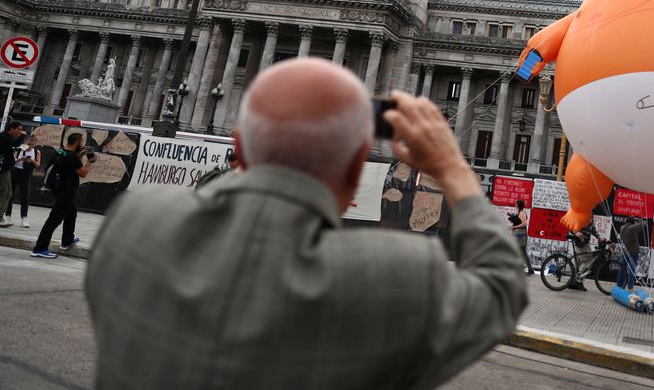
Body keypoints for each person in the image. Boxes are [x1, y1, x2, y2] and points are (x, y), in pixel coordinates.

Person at [86, 58, 527, 390]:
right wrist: (452, 168)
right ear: (357, 167)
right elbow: (504, 287)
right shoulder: (397, 278)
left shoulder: (134, 219)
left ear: (238, 147)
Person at [31, 131, 96, 258]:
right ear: (77, 142)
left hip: (58, 190)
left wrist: (80, 155)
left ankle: (67, 240)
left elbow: (67, 164)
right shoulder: (71, 157)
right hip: (66, 193)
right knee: (53, 221)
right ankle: (39, 248)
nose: (82, 144)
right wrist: (90, 162)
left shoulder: (60, 152)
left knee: (72, 213)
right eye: (81, 142)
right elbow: (82, 173)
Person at [6, 129, 40, 226]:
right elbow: (12, 159)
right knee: (10, 195)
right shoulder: (20, 148)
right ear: (26, 142)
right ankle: (7, 215)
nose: (30, 146)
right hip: (15, 171)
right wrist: (21, 159)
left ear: (35, 144)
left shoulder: (37, 152)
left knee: (25, 197)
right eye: (29, 144)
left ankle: (24, 218)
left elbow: (38, 165)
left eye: (32, 145)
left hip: (26, 174)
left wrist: (32, 161)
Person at [0, 121, 25, 228]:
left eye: (21, 130)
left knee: (8, 193)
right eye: (18, 129)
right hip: (2, 168)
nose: (20, 132)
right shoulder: (4, 137)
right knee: (5, 192)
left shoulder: (6, 137)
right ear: (11, 129)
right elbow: (15, 144)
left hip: (6, 168)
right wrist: (23, 136)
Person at [567, 220, 604, 291]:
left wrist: (599, 237)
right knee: (588, 262)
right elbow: (571, 226)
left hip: (583, 243)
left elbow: (593, 230)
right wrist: (576, 232)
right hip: (581, 244)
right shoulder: (581, 215)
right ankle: (577, 281)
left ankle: (572, 282)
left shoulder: (589, 215)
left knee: (578, 263)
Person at [617, 217, 647, 289]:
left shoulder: (622, 227)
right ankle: (630, 286)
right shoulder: (632, 228)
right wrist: (637, 219)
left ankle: (619, 285)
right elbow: (644, 223)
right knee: (632, 269)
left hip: (625, 251)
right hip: (633, 252)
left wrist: (633, 219)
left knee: (622, 268)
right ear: (632, 223)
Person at [510, 198, 533, 275]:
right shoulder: (519, 212)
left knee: (519, 251)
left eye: (516, 204)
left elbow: (524, 224)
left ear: (518, 205)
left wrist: (515, 227)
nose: (515, 205)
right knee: (523, 252)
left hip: (521, 235)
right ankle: (530, 269)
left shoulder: (522, 213)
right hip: (520, 235)